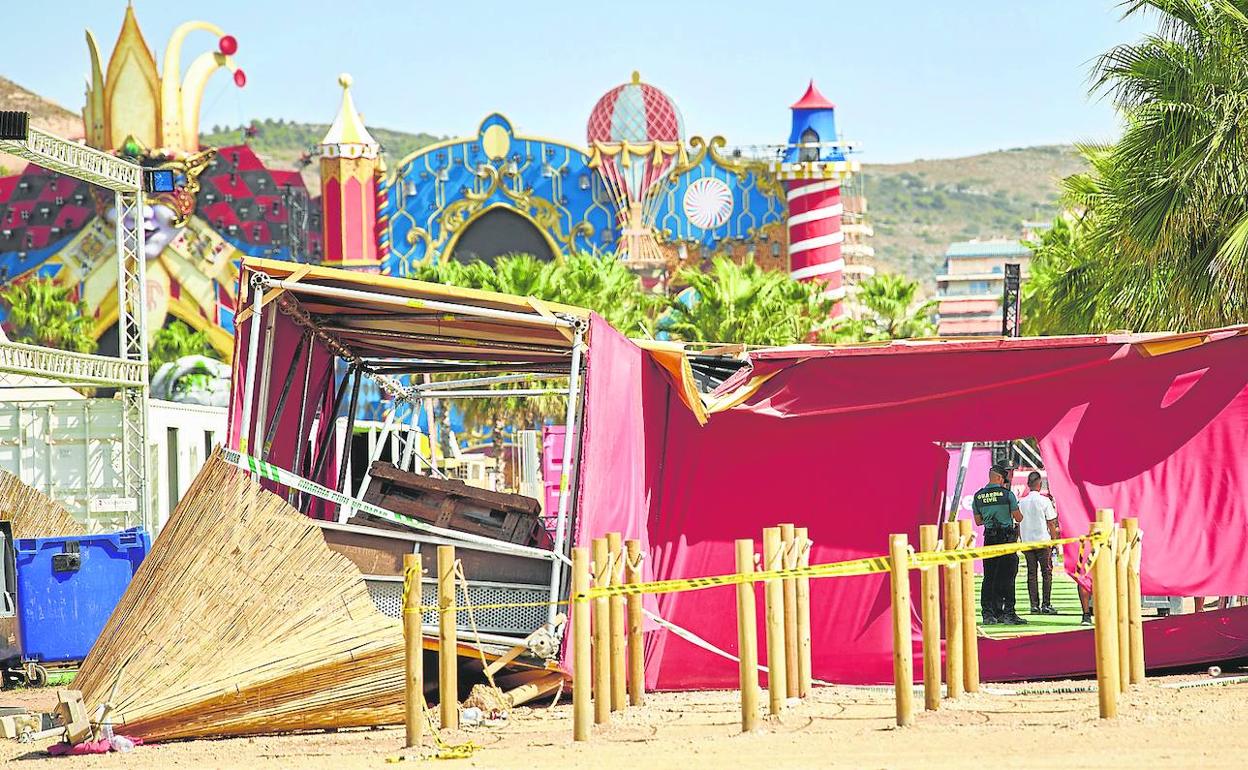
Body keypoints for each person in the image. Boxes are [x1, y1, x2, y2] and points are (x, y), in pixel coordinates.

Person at [973, 464, 1025, 625]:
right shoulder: (1007, 495)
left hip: (989, 538)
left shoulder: (978, 496)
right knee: (1008, 577)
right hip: (1006, 538)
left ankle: (989, 614)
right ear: (999, 478)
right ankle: (1009, 613)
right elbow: (1019, 518)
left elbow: (978, 521)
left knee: (989, 577)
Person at [1018, 471, 1059, 615]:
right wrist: (1055, 541)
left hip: (1027, 542)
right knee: (1046, 573)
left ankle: (1034, 605)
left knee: (1031, 574)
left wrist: (1021, 539)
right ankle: (1046, 604)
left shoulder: (1021, 502)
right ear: (1040, 485)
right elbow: (1052, 522)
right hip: (1043, 541)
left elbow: (1017, 523)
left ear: (1028, 485)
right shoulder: (1044, 501)